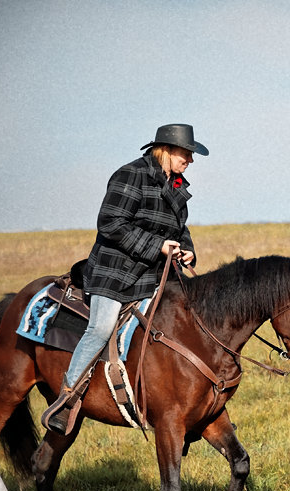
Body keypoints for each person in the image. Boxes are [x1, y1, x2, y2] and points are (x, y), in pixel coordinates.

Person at [41, 123, 207, 435]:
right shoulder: (131, 174)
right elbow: (110, 222)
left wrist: (187, 251)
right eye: (187, 153)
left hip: (156, 275)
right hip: (115, 273)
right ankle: (67, 400)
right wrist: (156, 245)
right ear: (168, 150)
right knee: (101, 329)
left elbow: (179, 229)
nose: (190, 160)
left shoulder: (177, 184)